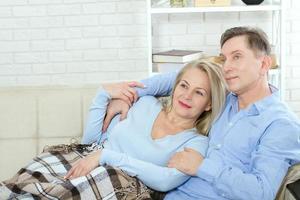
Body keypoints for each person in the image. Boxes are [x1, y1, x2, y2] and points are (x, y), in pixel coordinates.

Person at [103, 26, 300, 200]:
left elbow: (262, 192)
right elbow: (179, 78)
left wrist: (201, 167)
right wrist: (128, 95)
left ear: (264, 64)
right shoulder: (224, 98)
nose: (227, 67)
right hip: (163, 191)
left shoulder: (280, 124)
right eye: (224, 59)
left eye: (237, 56)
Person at [0, 60, 227, 199]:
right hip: (81, 159)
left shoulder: (196, 142)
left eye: (199, 92)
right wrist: (102, 94)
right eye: (184, 86)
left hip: (115, 183)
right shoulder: (146, 104)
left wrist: (107, 156)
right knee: (20, 188)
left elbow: (165, 181)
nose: (187, 95)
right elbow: (92, 142)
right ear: (175, 87)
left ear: (209, 104)